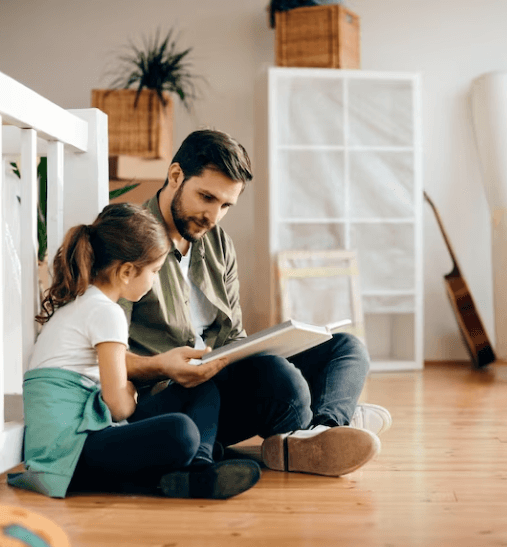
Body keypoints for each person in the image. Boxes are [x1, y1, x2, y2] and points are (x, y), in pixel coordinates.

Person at [115, 129, 393, 477]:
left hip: (223, 375)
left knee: (346, 347)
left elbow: (232, 336)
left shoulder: (218, 245)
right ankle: (321, 423)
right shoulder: (130, 239)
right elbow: (105, 351)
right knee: (280, 378)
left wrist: (268, 346)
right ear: (175, 176)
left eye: (226, 205)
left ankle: (324, 428)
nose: (213, 217)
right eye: (206, 197)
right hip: (178, 395)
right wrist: (163, 366)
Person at [7, 202, 261, 500]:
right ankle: (192, 469)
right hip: (70, 454)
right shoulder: (106, 312)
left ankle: (196, 469)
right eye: (154, 271)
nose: (155, 280)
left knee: (200, 390)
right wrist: (130, 391)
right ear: (127, 271)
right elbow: (119, 407)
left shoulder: (83, 303)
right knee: (181, 432)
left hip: (77, 439)